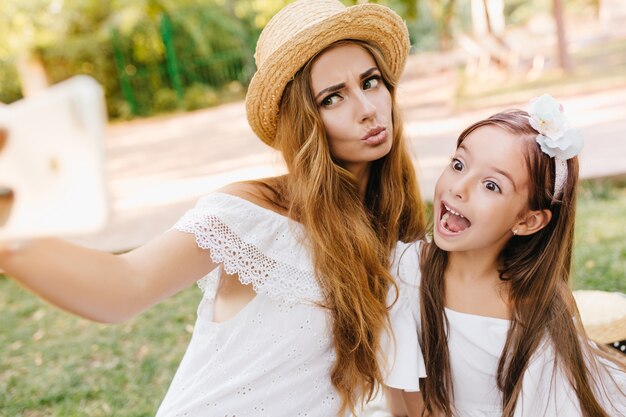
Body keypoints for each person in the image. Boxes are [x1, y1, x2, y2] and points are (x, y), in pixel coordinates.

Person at [0, 0, 426, 416]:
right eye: (332, 98)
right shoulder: (250, 216)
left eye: (370, 82)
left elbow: (403, 375)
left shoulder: (396, 223)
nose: (368, 110)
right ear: (304, 120)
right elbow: (125, 286)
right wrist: (10, 242)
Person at [384, 95, 626, 417]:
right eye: (459, 165)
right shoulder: (408, 270)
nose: (460, 187)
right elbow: (404, 395)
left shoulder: (536, 306)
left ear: (527, 221)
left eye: (491, 186)